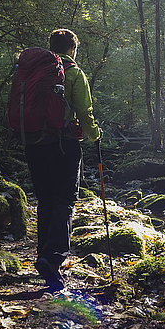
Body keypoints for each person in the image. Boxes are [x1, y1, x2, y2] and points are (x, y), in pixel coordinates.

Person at [26, 28, 101, 291]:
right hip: (65, 143)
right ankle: (53, 256)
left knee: (45, 200)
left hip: (34, 143)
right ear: (72, 49)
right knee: (65, 199)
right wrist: (94, 134)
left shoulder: (33, 72)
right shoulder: (73, 72)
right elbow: (84, 109)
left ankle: (43, 254)